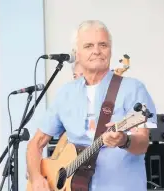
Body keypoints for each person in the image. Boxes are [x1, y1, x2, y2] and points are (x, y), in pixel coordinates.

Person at [26, 20, 157, 191]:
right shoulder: (66, 93)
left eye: (103, 45)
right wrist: (36, 178)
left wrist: (124, 140)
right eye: (89, 46)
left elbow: (142, 143)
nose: (97, 51)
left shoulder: (133, 88)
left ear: (110, 50)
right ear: (77, 53)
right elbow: (35, 143)